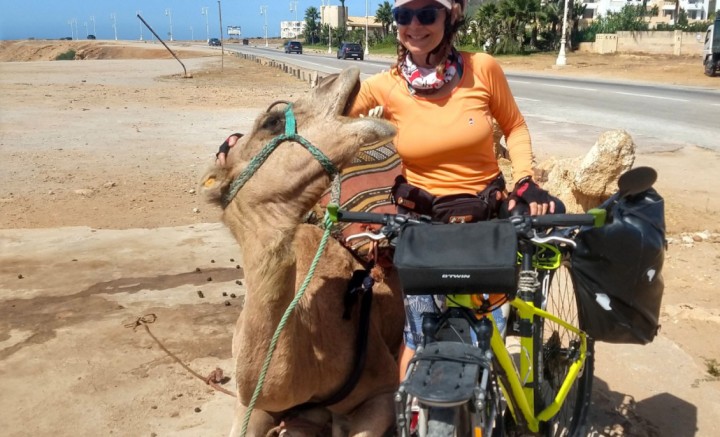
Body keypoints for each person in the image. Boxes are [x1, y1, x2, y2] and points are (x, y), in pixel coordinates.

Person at [345, 0, 560, 380]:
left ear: (451, 15)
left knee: (486, 334)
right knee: (417, 335)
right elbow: (329, 119)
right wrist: (247, 140)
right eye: (403, 15)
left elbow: (515, 126)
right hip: (422, 228)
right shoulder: (386, 85)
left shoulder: (483, 69)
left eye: (427, 14)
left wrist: (525, 180)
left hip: (483, 223)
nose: (415, 24)